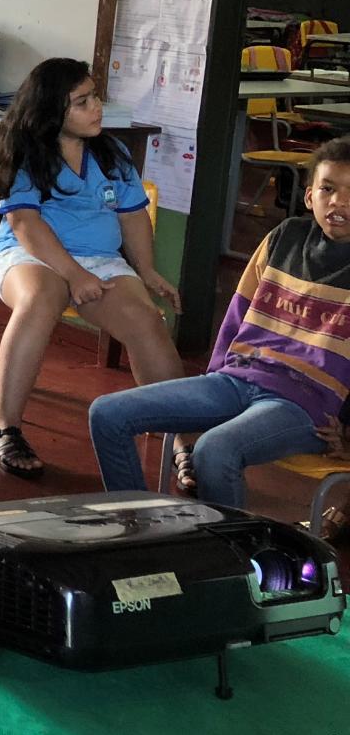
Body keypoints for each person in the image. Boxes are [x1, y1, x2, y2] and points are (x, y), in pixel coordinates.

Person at [90, 137, 350, 509]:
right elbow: (237, 315)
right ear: (309, 197)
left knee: (214, 449)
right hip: (237, 380)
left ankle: (228, 546)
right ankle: (135, 525)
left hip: (304, 407)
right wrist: (216, 378)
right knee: (107, 414)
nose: (339, 202)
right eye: (328, 189)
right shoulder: (284, 237)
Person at [0, 57, 181, 479]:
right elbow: (25, 223)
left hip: (100, 260)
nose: (97, 107)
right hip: (28, 254)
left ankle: (185, 441)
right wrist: (73, 275)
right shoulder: (27, 154)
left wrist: (147, 271)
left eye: (96, 97)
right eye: (82, 102)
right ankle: (4, 428)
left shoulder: (112, 153)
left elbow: (133, 216)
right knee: (41, 298)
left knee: (146, 319)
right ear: (51, 110)